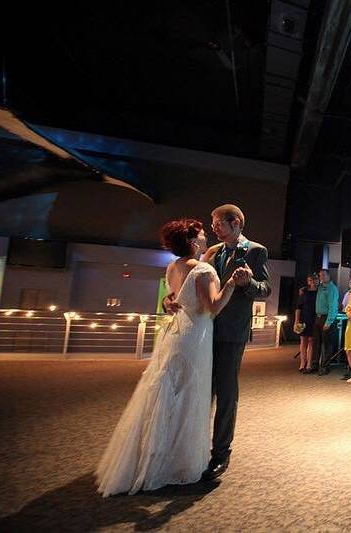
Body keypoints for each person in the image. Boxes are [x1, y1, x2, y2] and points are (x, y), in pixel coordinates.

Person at [96, 219, 238, 496]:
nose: (206, 237)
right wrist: (232, 282)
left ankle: (151, 456)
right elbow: (214, 307)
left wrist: (166, 302)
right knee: (187, 393)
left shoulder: (173, 267)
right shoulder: (202, 269)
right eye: (202, 234)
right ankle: (177, 462)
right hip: (194, 337)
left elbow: (172, 298)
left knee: (165, 391)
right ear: (193, 241)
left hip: (174, 334)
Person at [165, 204, 271, 481]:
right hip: (203, 329)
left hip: (232, 331)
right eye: (211, 225)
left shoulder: (255, 251)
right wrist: (169, 298)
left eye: (217, 224)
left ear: (235, 222)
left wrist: (248, 283)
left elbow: (265, 289)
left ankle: (221, 452)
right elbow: (191, 284)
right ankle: (192, 447)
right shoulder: (212, 253)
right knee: (199, 388)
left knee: (225, 390)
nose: (213, 229)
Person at [314, 269, 339, 371]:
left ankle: (325, 366)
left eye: (324, 275)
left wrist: (329, 321)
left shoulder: (332, 289)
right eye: (320, 275)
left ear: (329, 276)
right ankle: (315, 364)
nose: (321, 277)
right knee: (317, 343)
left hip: (326, 318)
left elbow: (333, 306)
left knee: (326, 344)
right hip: (318, 317)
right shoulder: (320, 287)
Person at [294, 274, 318, 372]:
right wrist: (296, 320)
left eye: (314, 280)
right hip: (304, 318)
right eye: (310, 280)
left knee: (311, 341)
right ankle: (302, 363)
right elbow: (298, 307)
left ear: (317, 280)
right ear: (308, 282)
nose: (312, 282)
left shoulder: (320, 292)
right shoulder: (304, 292)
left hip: (314, 318)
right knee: (303, 341)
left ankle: (309, 363)